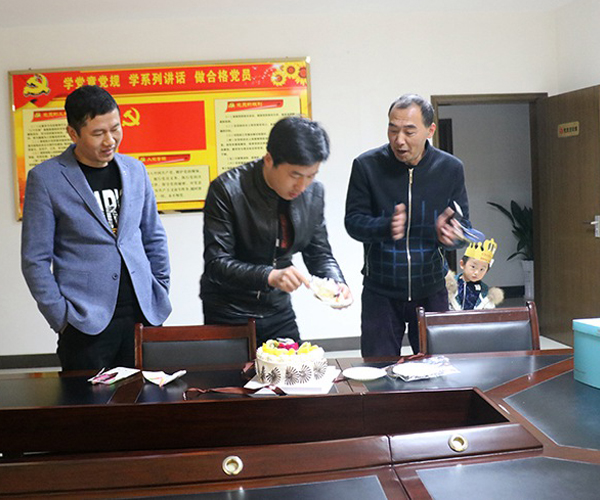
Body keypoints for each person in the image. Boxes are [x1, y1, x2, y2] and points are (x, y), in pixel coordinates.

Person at [21, 85, 172, 371]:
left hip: (144, 316)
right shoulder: (46, 178)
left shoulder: (135, 170)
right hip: (85, 323)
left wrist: (160, 287)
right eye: (98, 133)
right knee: (87, 400)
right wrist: (61, 318)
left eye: (115, 129)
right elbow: (34, 259)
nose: (110, 140)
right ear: (73, 133)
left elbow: (153, 236)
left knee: (149, 396)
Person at [201, 115, 351, 346]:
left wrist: (336, 283)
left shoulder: (313, 193)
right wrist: (269, 276)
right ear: (269, 159)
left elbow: (319, 252)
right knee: (234, 371)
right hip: (229, 312)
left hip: (278, 309)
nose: (302, 186)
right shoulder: (227, 190)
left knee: (296, 366)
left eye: (311, 176)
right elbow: (216, 263)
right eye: (295, 175)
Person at [345, 93, 468, 356]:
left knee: (437, 369)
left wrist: (452, 237)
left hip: (431, 289)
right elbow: (353, 222)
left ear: (430, 131)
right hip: (381, 291)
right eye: (393, 130)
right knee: (377, 368)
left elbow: (464, 225)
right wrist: (384, 227)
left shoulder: (450, 168)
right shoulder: (366, 166)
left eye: (409, 132)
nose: (399, 140)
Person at [446, 239, 504, 310]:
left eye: (482, 269)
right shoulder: (449, 285)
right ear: (462, 264)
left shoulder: (485, 293)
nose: (477, 272)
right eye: (473, 267)